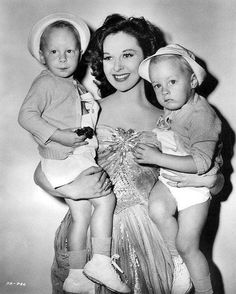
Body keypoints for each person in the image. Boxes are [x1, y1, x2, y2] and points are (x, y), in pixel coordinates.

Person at [33, 14, 224, 294]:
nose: (117, 66)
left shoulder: (175, 117)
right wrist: (71, 188)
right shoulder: (85, 109)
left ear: (148, 59)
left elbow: (216, 179)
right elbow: (43, 170)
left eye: (128, 54)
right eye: (108, 57)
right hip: (90, 241)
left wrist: (210, 181)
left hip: (153, 242)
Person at [18, 13, 130, 294]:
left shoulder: (75, 87)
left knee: (81, 215)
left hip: (71, 158)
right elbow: (26, 117)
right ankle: (101, 261)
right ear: (42, 56)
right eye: (54, 51)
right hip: (66, 159)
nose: (63, 57)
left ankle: (77, 274)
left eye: (70, 51)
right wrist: (60, 136)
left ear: (80, 54)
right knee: (105, 200)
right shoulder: (46, 82)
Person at [136, 44, 222, 294]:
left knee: (188, 245)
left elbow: (201, 163)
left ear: (193, 80)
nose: (164, 91)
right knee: (157, 208)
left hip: (196, 187)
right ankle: (178, 264)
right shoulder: (174, 105)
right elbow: (171, 137)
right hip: (171, 180)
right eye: (157, 85)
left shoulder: (201, 114)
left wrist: (157, 157)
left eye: (172, 81)